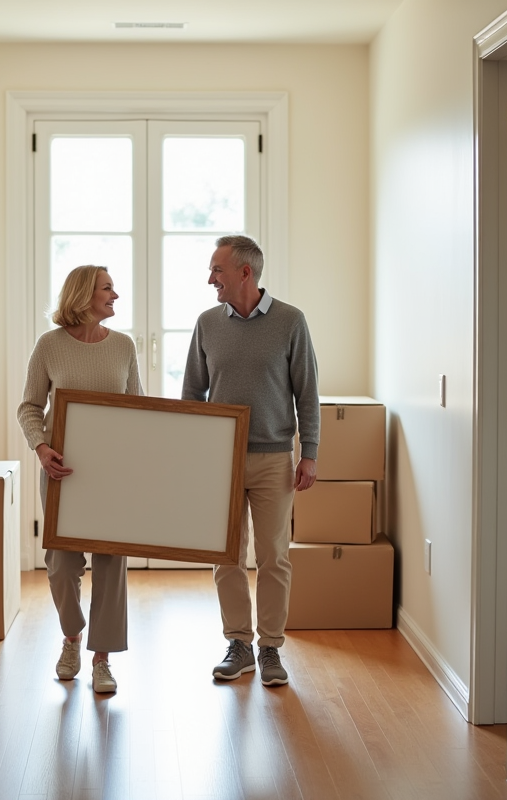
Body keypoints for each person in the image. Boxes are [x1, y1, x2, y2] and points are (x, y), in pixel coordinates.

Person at [182, 235, 320, 687]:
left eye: (217, 270)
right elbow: (192, 394)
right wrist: (192, 453)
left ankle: (271, 647)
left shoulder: (290, 321)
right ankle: (238, 644)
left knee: (274, 557)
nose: (210, 279)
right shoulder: (207, 324)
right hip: (220, 460)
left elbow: (307, 394)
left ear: (245, 272)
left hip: (274, 458)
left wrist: (310, 453)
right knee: (226, 557)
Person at [17, 264, 143, 694]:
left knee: (110, 564)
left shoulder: (124, 346)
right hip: (62, 473)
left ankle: (102, 659)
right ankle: (72, 638)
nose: (116, 295)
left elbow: (138, 407)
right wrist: (40, 447)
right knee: (61, 565)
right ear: (84, 295)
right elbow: (29, 406)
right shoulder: (49, 346)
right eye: (108, 288)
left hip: (114, 477)